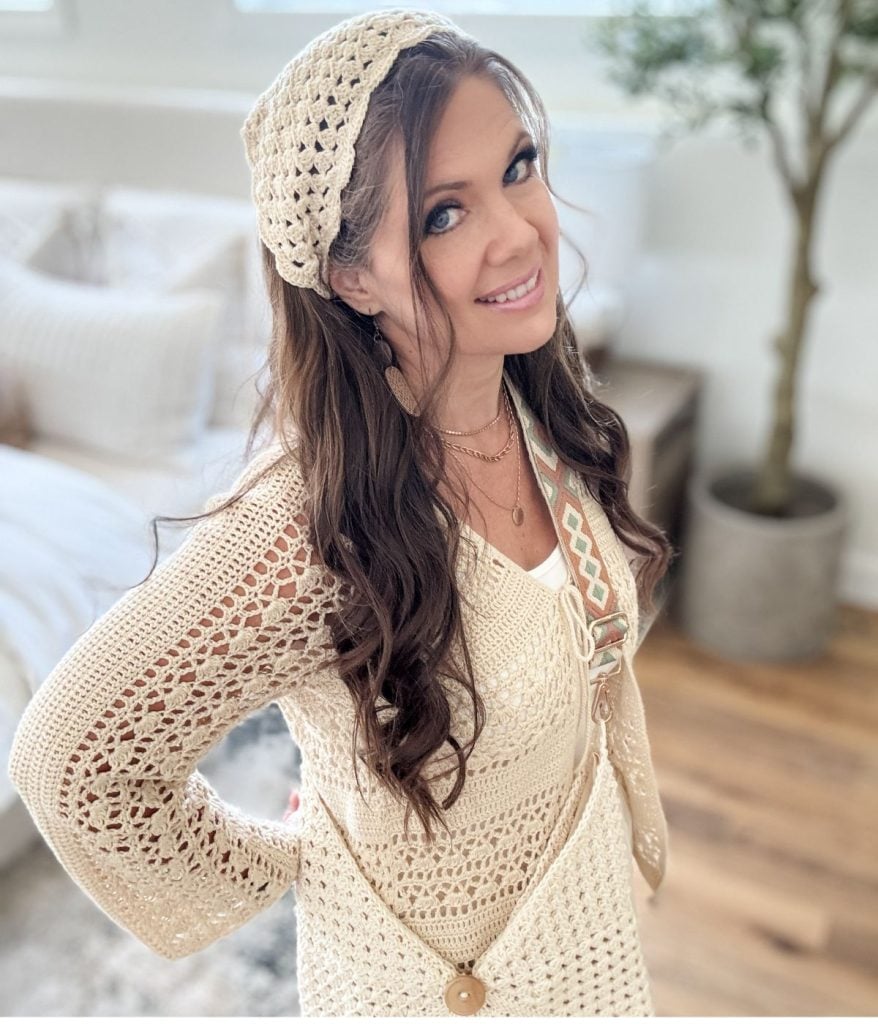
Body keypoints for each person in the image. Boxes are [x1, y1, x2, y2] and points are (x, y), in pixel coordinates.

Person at [8, 8, 674, 1017]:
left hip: (580, 941)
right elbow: (76, 762)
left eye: (518, 165)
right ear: (351, 274)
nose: (516, 231)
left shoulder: (534, 399)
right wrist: (289, 859)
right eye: (443, 214)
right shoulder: (306, 530)